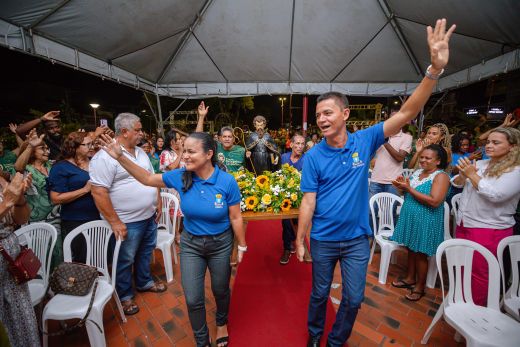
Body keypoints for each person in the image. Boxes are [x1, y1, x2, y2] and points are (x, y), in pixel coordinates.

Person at [295, 19, 455, 347]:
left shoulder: (365, 140)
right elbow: (308, 200)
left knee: (353, 300)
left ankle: (335, 342)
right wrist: (300, 240)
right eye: (318, 116)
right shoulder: (312, 157)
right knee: (319, 294)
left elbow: (408, 112)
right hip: (323, 239)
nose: (322, 119)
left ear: (345, 115)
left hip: (356, 239)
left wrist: (433, 71)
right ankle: (314, 338)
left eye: (328, 113)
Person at [98, 131, 247, 347]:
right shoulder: (180, 176)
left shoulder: (226, 181)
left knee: (220, 289)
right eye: (183, 150)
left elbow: (235, 216)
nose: (184, 155)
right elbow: (147, 178)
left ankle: (221, 322)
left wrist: (241, 244)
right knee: (193, 298)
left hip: (220, 244)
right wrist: (120, 157)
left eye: (190, 151)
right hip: (191, 245)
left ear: (208, 154)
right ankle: (202, 340)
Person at [90, 113, 165, 316]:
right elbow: (98, 191)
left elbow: (151, 178)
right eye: (138, 130)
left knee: (145, 252)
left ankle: (144, 282)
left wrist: (157, 200)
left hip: (148, 216)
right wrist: (115, 221)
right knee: (125, 259)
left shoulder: (140, 152)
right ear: (124, 131)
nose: (142, 133)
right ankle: (124, 296)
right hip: (126, 221)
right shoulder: (105, 156)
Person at [452, 127, 520, 306]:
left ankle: (474, 313)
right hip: (465, 223)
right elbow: (458, 184)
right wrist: (462, 176)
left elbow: (496, 195)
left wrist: (472, 175)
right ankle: (459, 302)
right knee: (462, 267)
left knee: (481, 274)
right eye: (488, 141)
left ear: (512, 147)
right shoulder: (481, 164)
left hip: (489, 228)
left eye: (495, 142)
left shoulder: (515, 171)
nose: (489, 145)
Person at [390, 144, 450, 301]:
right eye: (422, 157)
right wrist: (401, 187)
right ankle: (410, 278)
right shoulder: (417, 173)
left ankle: (420, 287)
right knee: (410, 248)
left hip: (427, 219)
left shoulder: (440, 176)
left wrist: (408, 189)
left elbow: (435, 201)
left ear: (438, 161)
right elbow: (406, 192)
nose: (423, 160)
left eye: (428, 158)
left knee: (421, 253)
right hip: (411, 216)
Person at [0, 173, 40, 347]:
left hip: (11, 263)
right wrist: (7, 202)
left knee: (23, 321)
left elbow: (21, 219)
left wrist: (19, 198)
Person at [48, 132, 100, 263]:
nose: (91, 146)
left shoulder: (95, 162)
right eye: (87, 144)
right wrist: (84, 190)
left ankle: (99, 283)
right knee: (83, 260)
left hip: (99, 216)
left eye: (91, 143)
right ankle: (83, 284)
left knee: (99, 257)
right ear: (74, 147)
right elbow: (55, 198)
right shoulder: (61, 167)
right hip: (77, 220)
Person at [14, 129, 62, 268]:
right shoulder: (26, 168)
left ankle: (56, 284)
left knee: (57, 251)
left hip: (56, 216)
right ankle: (42, 286)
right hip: (35, 219)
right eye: (43, 148)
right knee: (40, 254)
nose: (47, 151)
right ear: (33, 151)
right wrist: (29, 145)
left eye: (48, 148)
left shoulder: (52, 165)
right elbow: (18, 167)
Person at [279, 134, 311, 264]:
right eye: (297, 143)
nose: (299, 146)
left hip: (301, 197)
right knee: (286, 222)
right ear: (291, 144)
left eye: (302, 144)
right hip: (286, 197)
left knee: (299, 222)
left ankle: (299, 243)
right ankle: (287, 248)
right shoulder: (284, 157)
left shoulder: (307, 159)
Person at [370, 109, 413, 197]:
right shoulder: (379, 135)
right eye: (391, 119)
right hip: (376, 180)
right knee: (372, 210)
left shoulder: (407, 137)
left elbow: (400, 158)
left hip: (394, 182)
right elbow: (370, 155)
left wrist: (384, 141)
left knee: (391, 210)